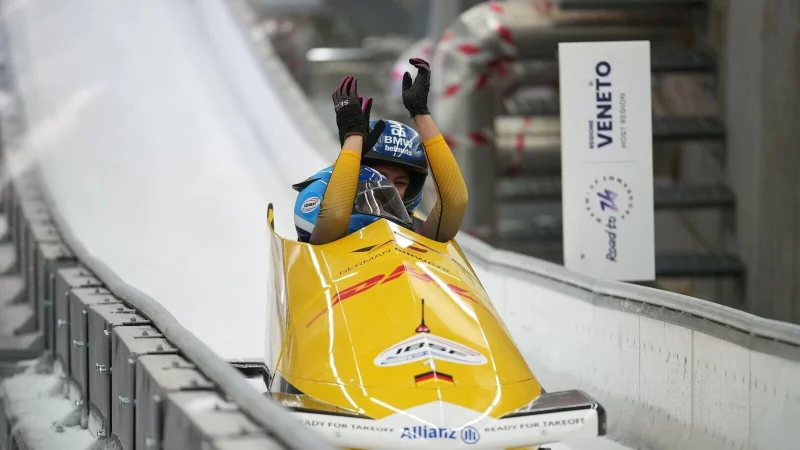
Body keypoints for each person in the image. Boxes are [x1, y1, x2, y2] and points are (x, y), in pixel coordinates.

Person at [293, 58, 467, 245]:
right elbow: (334, 216)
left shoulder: (418, 233)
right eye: (380, 177)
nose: (388, 188)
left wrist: (421, 113)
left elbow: (455, 203)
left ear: (411, 192)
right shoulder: (324, 215)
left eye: (400, 183)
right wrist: (353, 141)